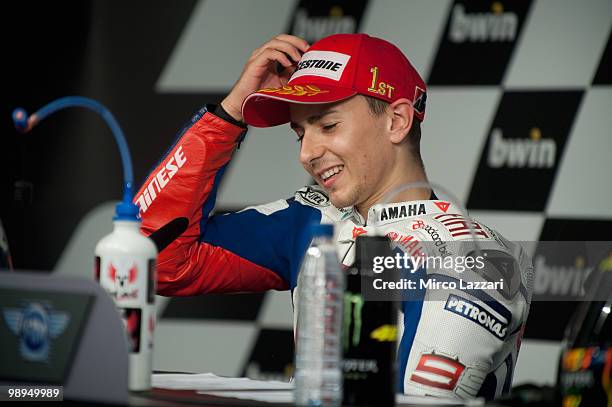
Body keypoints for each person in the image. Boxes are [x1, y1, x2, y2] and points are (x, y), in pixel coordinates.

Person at [135, 33, 533, 399]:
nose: (306, 154)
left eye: (327, 125)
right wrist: (230, 112)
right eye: (300, 133)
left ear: (397, 120)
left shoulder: (473, 256)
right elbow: (157, 258)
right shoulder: (311, 220)